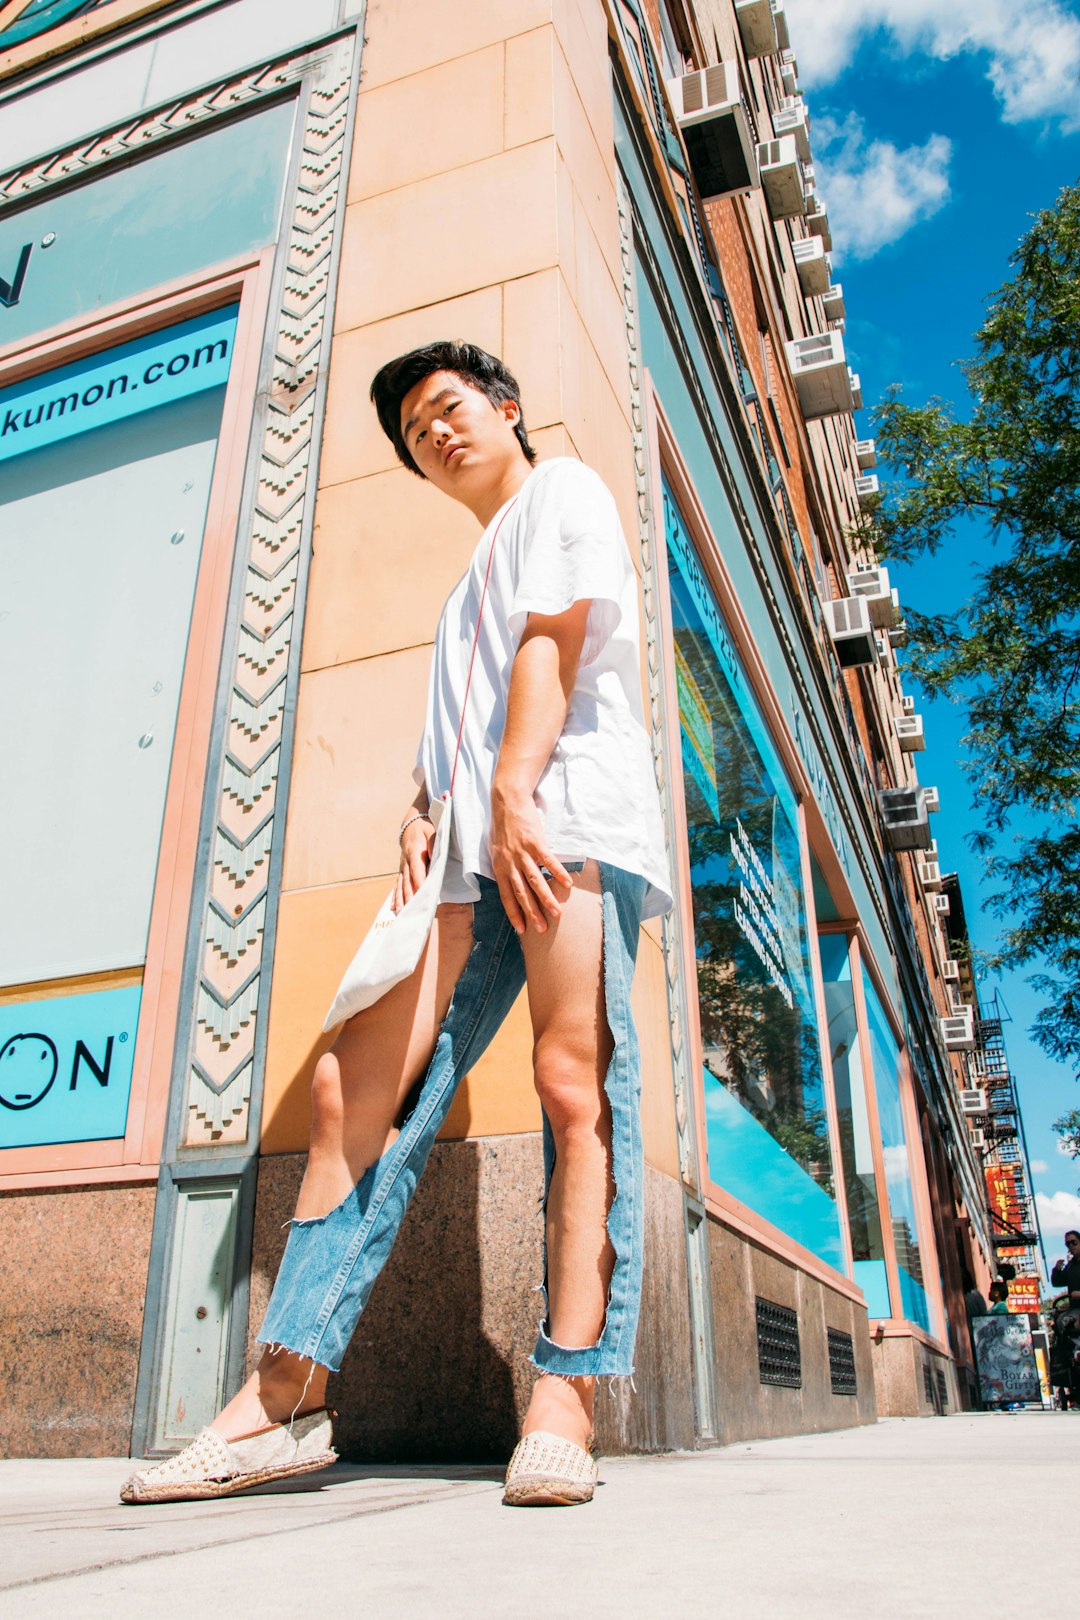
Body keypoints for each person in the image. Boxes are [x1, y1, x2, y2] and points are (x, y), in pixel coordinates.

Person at [122, 342, 672, 1509]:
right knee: (347, 1089)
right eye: (415, 432)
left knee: (574, 1089)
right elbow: (451, 741)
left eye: (449, 408)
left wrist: (517, 794)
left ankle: (566, 1397)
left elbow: (552, 647)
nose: (436, 434)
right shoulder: (458, 588)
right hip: (469, 866)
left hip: (566, 821)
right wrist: (426, 815)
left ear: (507, 408)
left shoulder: (560, 492)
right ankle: (285, 1398)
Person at [1050, 1230, 1080, 1306]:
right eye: (1068, 1244)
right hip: (1075, 1309)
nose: (1071, 1246)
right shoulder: (1071, 1265)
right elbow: (1057, 1283)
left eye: (1074, 1242)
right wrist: (1057, 1270)